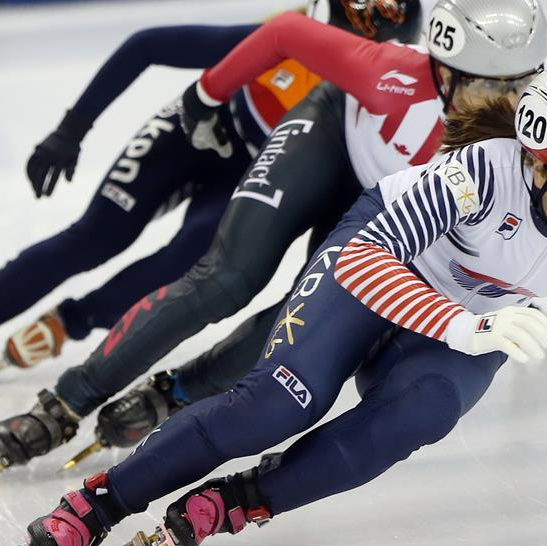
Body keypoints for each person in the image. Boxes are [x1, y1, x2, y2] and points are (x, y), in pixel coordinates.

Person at [19, 57, 547, 546]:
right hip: (383, 269)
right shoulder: (479, 176)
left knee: (420, 414)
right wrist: (463, 322)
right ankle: (99, 503)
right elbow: (363, 259)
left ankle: (234, 505)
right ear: (536, 162)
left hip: (465, 317)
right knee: (279, 402)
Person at [0, 0, 547, 473]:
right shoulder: (387, 73)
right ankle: (65, 402)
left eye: (519, 87)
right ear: (440, 72)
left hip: (393, 207)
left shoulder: (533, 134)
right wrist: (206, 95)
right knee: (225, 279)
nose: (502, 105)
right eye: (484, 84)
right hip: (331, 144)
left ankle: (171, 395)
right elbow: (286, 30)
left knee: (301, 322)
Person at [0, 0, 419, 370]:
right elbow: (146, 46)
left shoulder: (383, 93)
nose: (340, 63)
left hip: (252, 168)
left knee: (187, 262)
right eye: (331, 46)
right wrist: (71, 128)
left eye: (363, 58)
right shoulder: (280, 37)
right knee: (94, 238)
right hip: (192, 134)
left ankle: (70, 321)